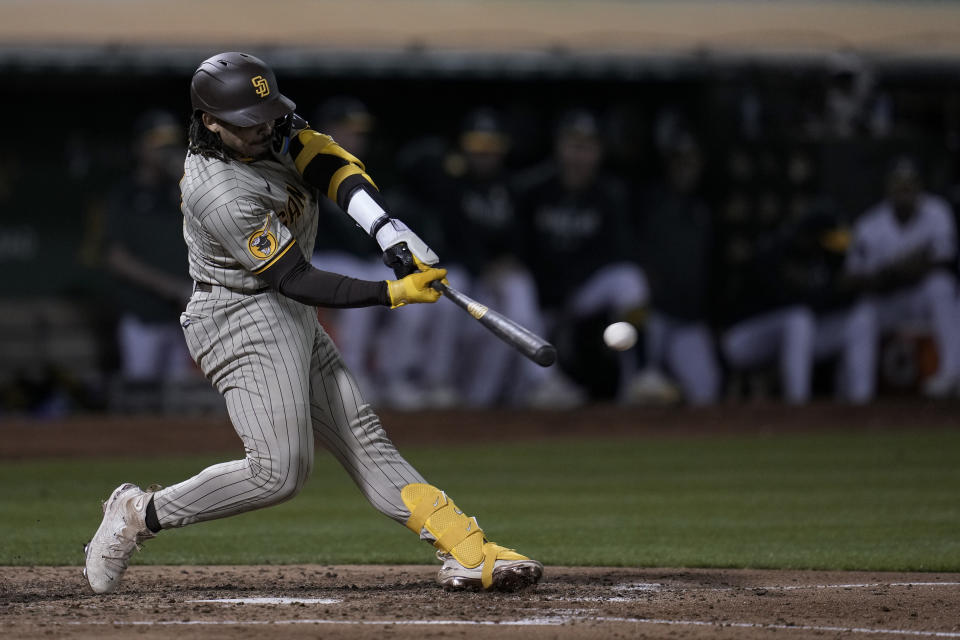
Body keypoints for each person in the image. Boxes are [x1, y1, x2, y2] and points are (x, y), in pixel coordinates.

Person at [83, 51, 542, 595]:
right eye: (249, 122)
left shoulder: (262, 127)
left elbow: (327, 162)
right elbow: (294, 278)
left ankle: (465, 546)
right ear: (210, 121)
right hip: (238, 316)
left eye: (269, 114)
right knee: (278, 473)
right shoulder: (218, 190)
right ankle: (140, 512)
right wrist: (391, 291)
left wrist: (385, 229)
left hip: (286, 312)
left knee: (362, 434)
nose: (266, 128)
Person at [516, 109, 648, 401]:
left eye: (587, 148)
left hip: (581, 293)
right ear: (559, 147)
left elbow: (619, 252)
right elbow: (517, 250)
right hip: (538, 300)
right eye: (574, 146)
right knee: (516, 285)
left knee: (629, 280)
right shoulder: (533, 189)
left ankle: (638, 377)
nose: (579, 156)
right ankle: (542, 385)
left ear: (599, 152)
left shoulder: (609, 195)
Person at [843, 157, 960, 397]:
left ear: (919, 186)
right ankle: (859, 397)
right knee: (860, 317)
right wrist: (903, 266)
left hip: (920, 297)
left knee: (942, 287)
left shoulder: (937, 211)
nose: (904, 190)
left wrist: (893, 270)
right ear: (889, 187)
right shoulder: (870, 224)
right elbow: (850, 278)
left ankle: (952, 374)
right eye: (899, 184)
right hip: (888, 301)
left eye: (910, 184)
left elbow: (943, 261)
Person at [103, 110, 194, 384]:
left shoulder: (183, 191)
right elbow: (116, 259)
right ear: (140, 147)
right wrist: (170, 287)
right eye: (156, 143)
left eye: (169, 143)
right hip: (143, 316)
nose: (164, 150)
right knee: (140, 399)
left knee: (183, 403)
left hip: (184, 319)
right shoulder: (126, 195)